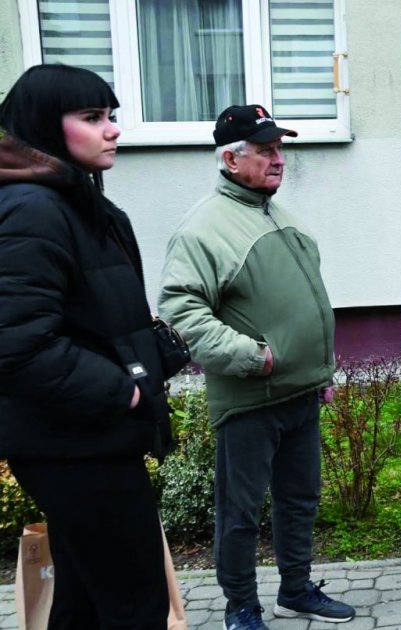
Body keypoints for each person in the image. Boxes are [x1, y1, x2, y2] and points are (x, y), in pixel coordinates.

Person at [158, 105, 354, 629]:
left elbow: (303, 303)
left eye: (280, 149)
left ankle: (296, 589)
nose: (278, 160)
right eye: (265, 150)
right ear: (230, 158)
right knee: (240, 513)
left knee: (299, 500)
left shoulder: (279, 214)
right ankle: (240, 606)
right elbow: (180, 310)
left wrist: (322, 370)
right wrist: (253, 357)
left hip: (300, 393)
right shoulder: (203, 228)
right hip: (249, 398)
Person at [0, 64, 174, 628]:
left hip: (84, 439)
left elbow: (87, 318)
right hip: (76, 443)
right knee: (134, 606)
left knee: (84, 602)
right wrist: (122, 391)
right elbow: (17, 345)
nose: (113, 130)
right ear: (47, 129)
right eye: (92, 117)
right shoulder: (33, 210)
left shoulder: (75, 204)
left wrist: (155, 353)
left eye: (112, 116)